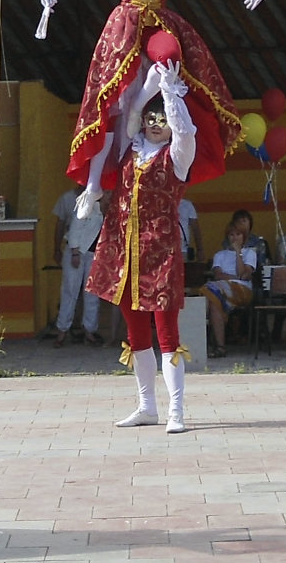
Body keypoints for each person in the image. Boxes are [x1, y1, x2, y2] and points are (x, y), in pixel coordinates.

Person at [36, 0, 265, 219]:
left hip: (157, 21)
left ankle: (139, 106)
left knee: (169, 58)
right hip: (126, 26)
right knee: (109, 105)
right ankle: (93, 185)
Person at [87, 60, 196, 434]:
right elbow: (123, 116)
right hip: (124, 254)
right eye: (152, 117)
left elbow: (184, 132)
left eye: (161, 118)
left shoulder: (177, 157)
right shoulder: (129, 151)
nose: (155, 123)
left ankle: (176, 411)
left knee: (168, 336)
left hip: (160, 254)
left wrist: (171, 92)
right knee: (136, 335)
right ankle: (147, 405)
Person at [54, 192, 110, 348]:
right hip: (78, 252)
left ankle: (89, 330)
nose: (110, 197)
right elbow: (75, 228)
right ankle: (62, 330)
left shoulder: (104, 211)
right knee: (70, 291)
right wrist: (74, 251)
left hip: (93, 254)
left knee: (92, 293)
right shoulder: (86, 205)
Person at [201, 223, 257, 358]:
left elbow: (244, 274)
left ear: (244, 237)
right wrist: (237, 277)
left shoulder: (250, 253)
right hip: (220, 289)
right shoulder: (219, 255)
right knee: (214, 303)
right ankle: (221, 347)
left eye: (238, 234)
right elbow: (218, 275)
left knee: (209, 290)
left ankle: (209, 338)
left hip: (242, 290)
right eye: (232, 234)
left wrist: (238, 253)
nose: (235, 238)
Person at [178, 198, 205, 262]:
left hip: (182, 249)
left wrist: (200, 249)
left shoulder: (187, 205)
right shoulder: (160, 203)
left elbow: (195, 229)